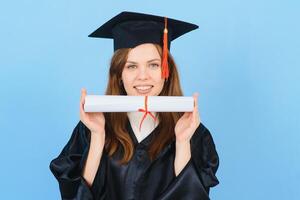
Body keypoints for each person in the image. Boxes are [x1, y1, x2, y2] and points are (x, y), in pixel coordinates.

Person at [50, 11, 219, 200]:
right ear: (119, 75)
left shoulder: (193, 132)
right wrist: (98, 138)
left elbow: (192, 196)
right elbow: (76, 196)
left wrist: (182, 143)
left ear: (167, 71)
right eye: (131, 66)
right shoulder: (91, 128)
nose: (143, 76)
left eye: (153, 65)